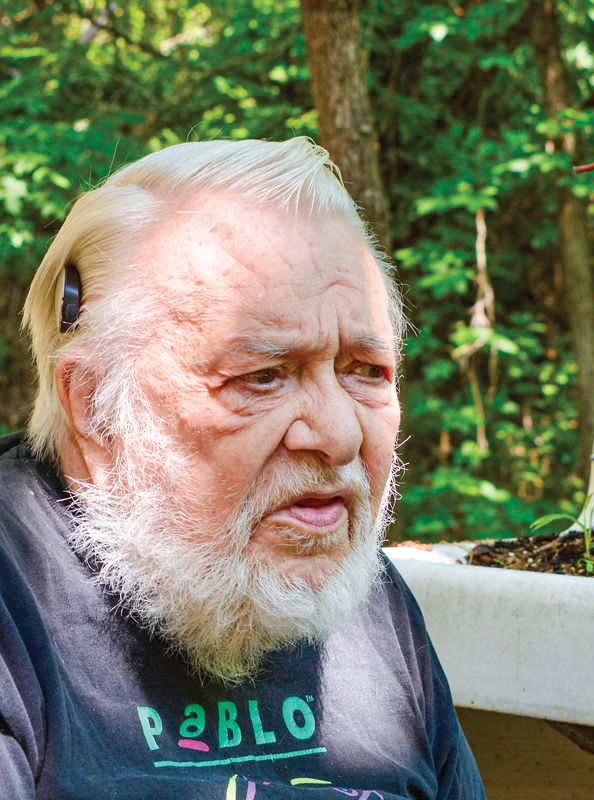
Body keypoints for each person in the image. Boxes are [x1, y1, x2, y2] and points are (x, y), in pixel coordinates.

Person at [0, 138, 486, 799]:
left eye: (366, 372)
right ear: (95, 406)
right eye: (263, 377)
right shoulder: (16, 590)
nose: (339, 436)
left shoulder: (362, 595)